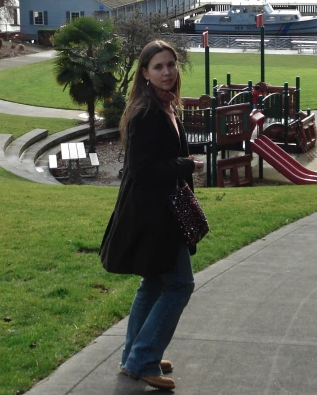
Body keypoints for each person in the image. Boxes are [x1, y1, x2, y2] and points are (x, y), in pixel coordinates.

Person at [100, 40, 204, 391]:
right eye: (158, 67)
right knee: (179, 285)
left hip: (161, 212)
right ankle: (142, 359)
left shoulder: (166, 107)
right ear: (144, 73)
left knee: (154, 283)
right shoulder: (146, 114)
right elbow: (142, 171)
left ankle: (135, 354)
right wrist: (185, 164)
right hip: (153, 216)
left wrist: (181, 165)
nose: (167, 72)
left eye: (171, 65)